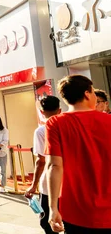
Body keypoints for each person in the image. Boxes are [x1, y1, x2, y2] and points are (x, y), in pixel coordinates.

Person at [45, 75, 111, 233]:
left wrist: (53, 207)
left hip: (75, 210)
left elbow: (54, 166)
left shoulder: (55, 123)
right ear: (87, 93)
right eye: (94, 92)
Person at [24, 96, 61, 234]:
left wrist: (34, 185)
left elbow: (41, 161)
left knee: (47, 222)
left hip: (49, 184)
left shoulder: (40, 131)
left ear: (41, 111)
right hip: (69, 183)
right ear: (60, 110)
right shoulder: (68, 126)